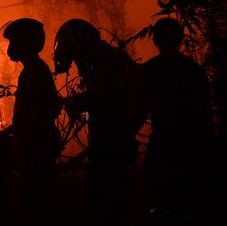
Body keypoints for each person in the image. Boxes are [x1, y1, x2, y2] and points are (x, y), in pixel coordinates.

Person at [53, 19, 143, 225]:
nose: (77, 64)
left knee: (107, 196)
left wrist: (75, 102)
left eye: (74, 56)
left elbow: (105, 96)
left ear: (80, 45)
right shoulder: (109, 57)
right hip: (118, 136)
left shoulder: (102, 61)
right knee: (114, 193)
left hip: (111, 140)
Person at [140, 18, 214, 223]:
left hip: (165, 143)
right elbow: (205, 113)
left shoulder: (150, 70)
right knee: (186, 200)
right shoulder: (193, 70)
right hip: (190, 144)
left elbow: (138, 106)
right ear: (179, 39)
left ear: (156, 40)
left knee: (159, 199)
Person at [0, 18, 61, 220]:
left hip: (37, 147)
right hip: (37, 145)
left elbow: (36, 116)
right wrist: (6, 134)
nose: (11, 47)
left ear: (25, 43)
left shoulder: (34, 73)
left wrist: (19, 142)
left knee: (36, 204)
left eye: (14, 42)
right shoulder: (34, 70)